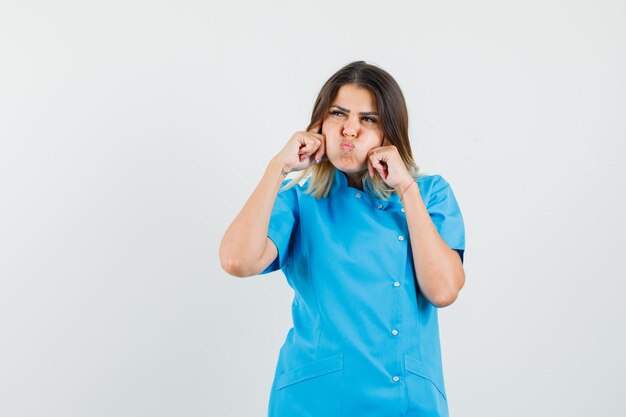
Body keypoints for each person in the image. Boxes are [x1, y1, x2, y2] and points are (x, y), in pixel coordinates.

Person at [220, 61, 466, 417]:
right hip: (313, 402)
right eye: (338, 113)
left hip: (408, 402)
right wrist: (279, 166)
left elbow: (443, 291)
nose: (350, 129)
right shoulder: (300, 201)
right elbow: (236, 260)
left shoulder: (429, 195)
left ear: (389, 134)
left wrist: (405, 188)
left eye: (369, 118)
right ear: (320, 124)